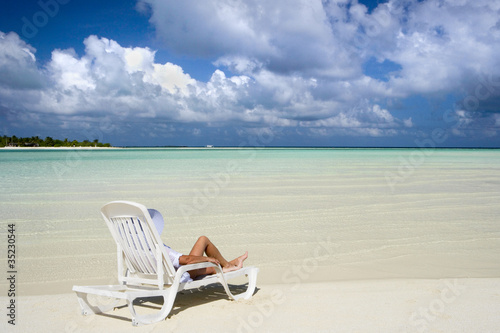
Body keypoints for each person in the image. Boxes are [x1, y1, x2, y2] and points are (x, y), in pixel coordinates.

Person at [148, 209, 248, 283]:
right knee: (203, 240)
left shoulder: (135, 249)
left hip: (161, 275)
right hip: (178, 275)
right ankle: (228, 265)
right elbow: (187, 260)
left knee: (211, 267)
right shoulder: (158, 248)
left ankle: (229, 265)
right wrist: (206, 258)